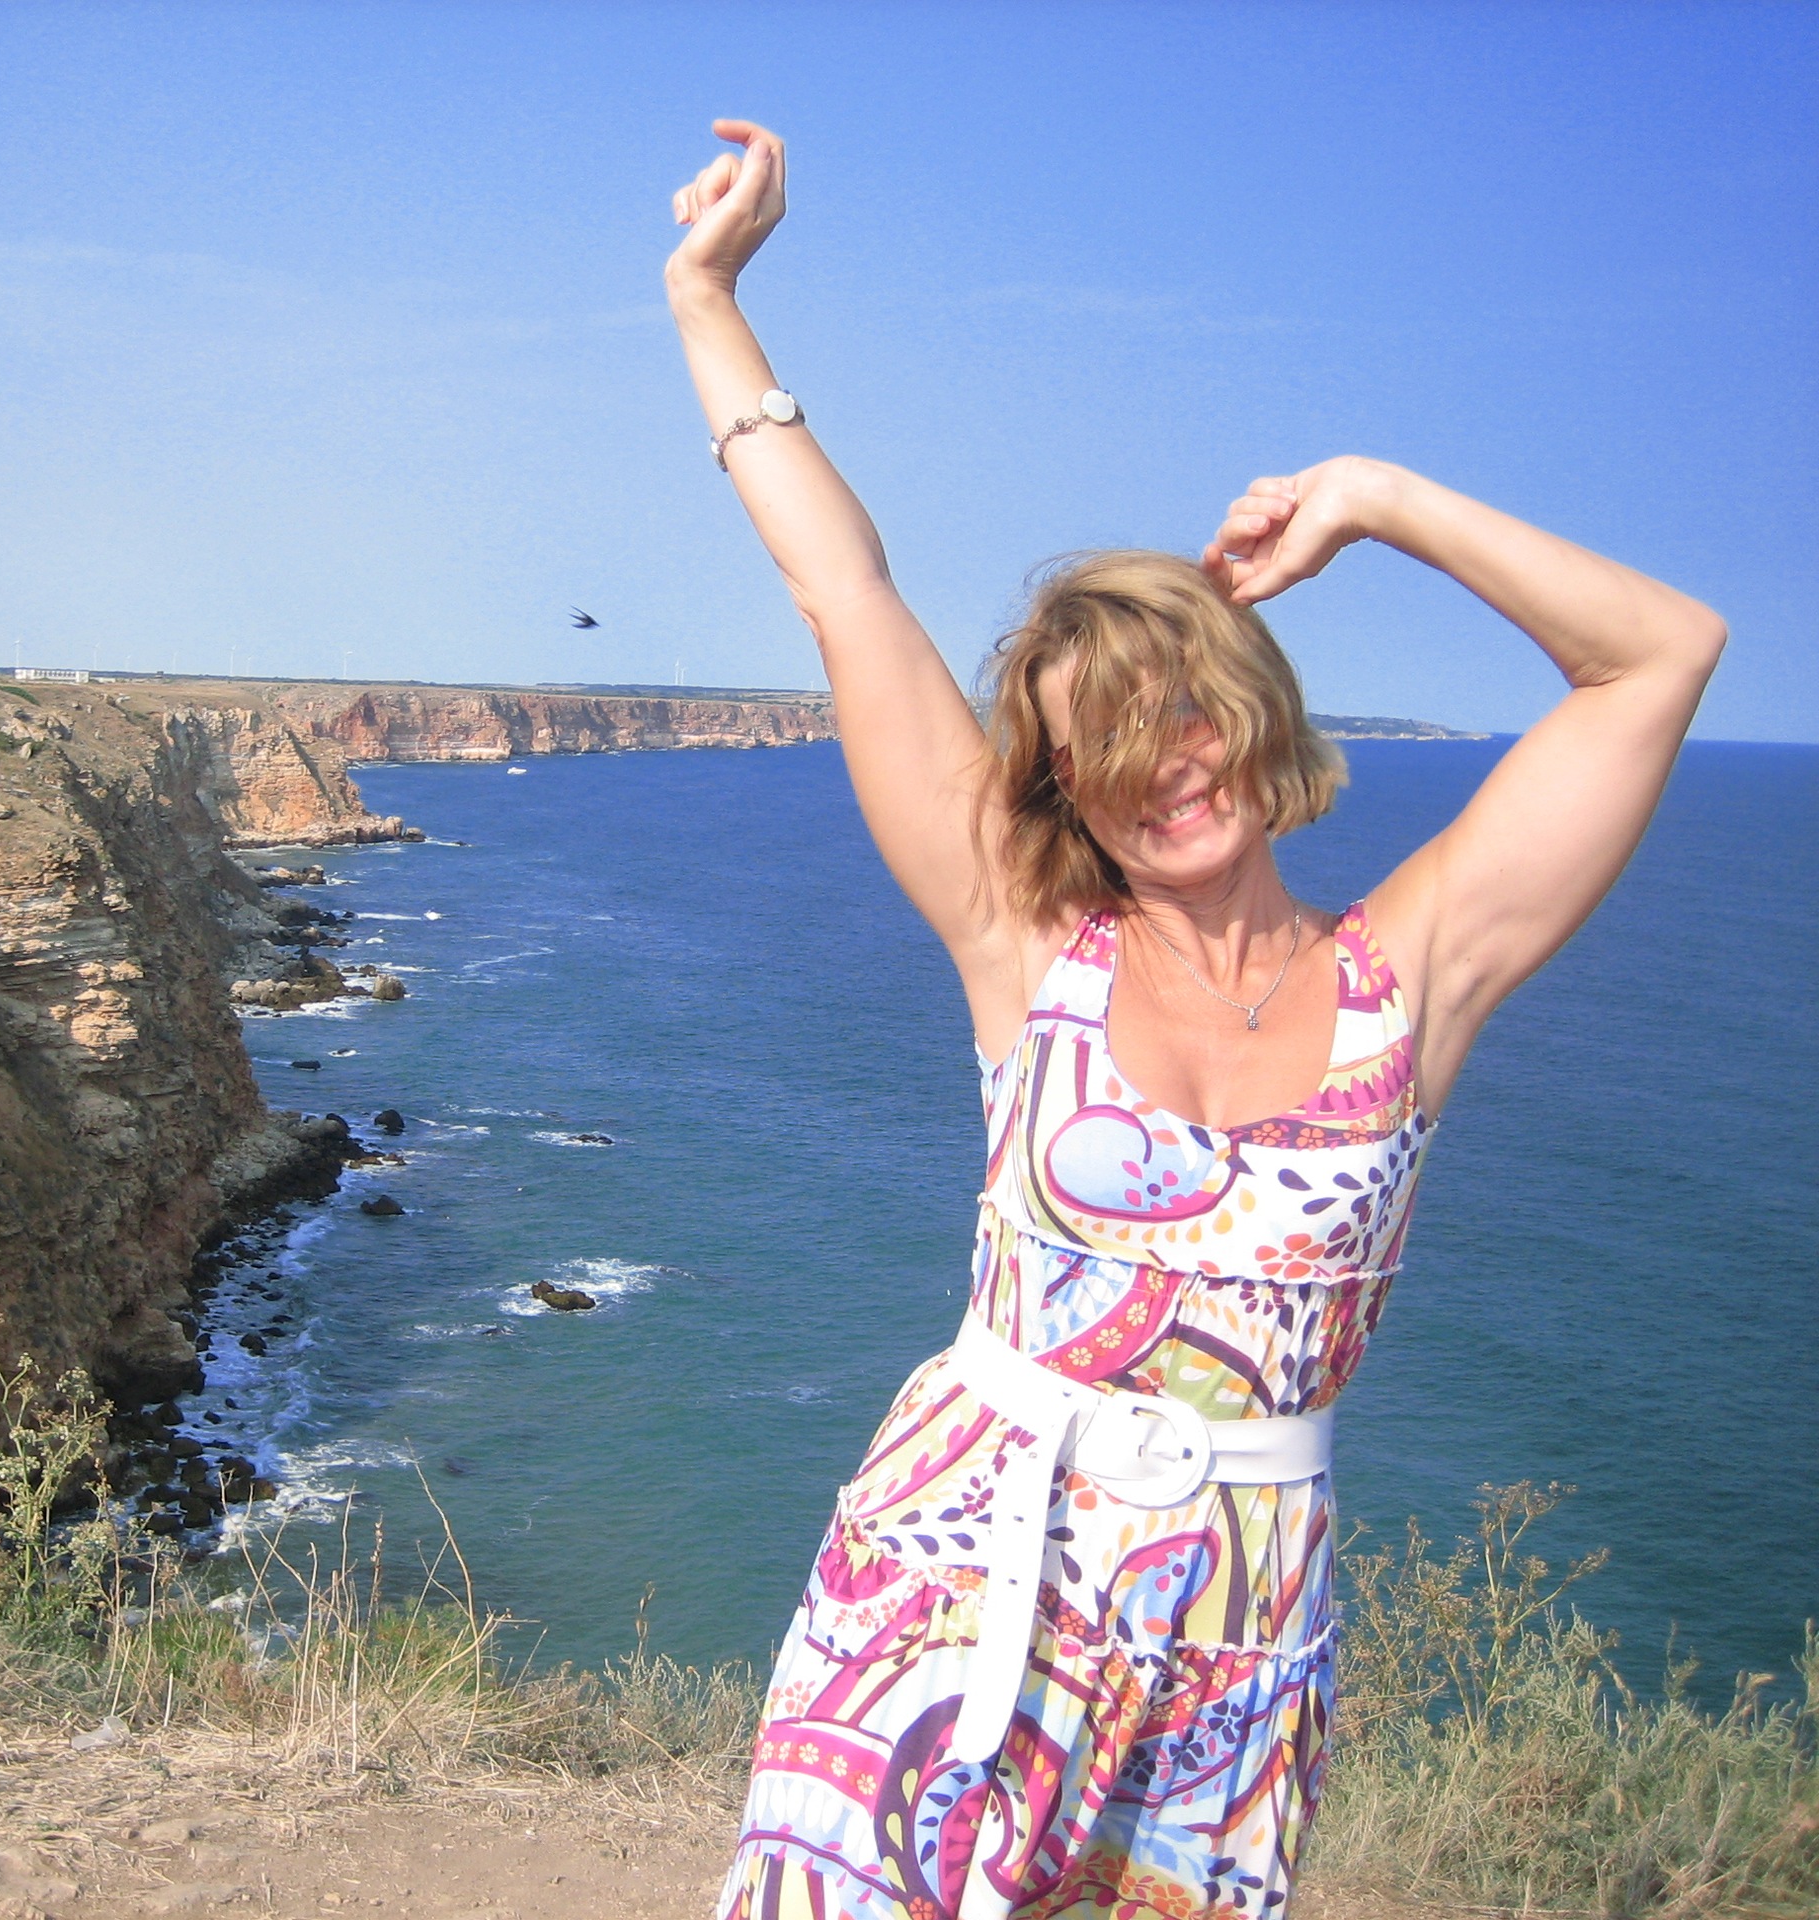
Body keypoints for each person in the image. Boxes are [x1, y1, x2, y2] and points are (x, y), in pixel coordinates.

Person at [666, 120, 1725, 1920]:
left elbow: (1660, 655)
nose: (1162, 766)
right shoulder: (1027, 946)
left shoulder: (1411, 979)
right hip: (955, 1573)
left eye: (1180, 708)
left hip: (1236, 1635)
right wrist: (709, 300)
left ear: (1246, 704)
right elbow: (845, 593)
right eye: (1101, 744)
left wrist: (1376, 497)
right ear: (1062, 791)